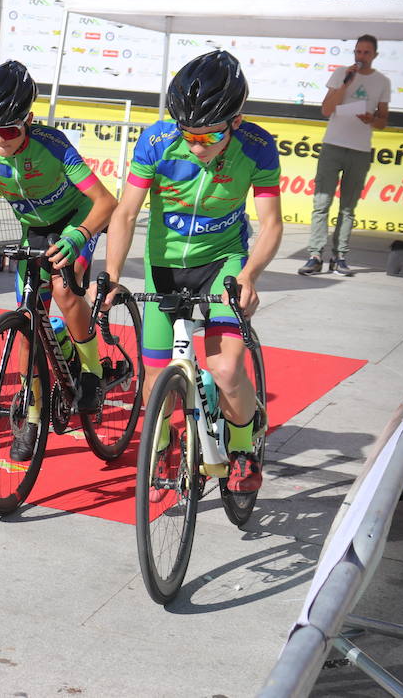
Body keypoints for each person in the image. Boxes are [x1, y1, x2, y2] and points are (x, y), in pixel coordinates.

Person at [102, 50, 283, 493]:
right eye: (189, 134)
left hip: (223, 262)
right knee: (153, 375)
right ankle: (163, 444)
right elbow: (125, 214)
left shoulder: (257, 148)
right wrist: (109, 277)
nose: (196, 145)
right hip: (163, 265)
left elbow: (271, 224)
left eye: (209, 135)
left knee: (224, 370)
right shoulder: (158, 141)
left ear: (235, 121)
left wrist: (250, 276)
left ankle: (242, 443)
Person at [0, 61, 116, 454]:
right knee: (28, 319)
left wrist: (79, 236)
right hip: (34, 229)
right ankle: (32, 415)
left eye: (8, 131)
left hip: (75, 220)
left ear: (28, 119)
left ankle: (93, 370)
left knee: (63, 291)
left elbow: (105, 201)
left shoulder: (53, 145)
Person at [299, 35, 390, 277]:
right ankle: (315, 255)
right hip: (333, 146)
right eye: (358, 52)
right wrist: (346, 85)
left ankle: (340, 257)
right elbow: (327, 110)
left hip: (360, 150)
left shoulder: (382, 81)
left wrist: (371, 119)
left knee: (348, 208)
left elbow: (383, 121)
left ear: (375, 55)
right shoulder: (342, 74)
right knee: (321, 203)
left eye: (366, 53)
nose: (361, 57)